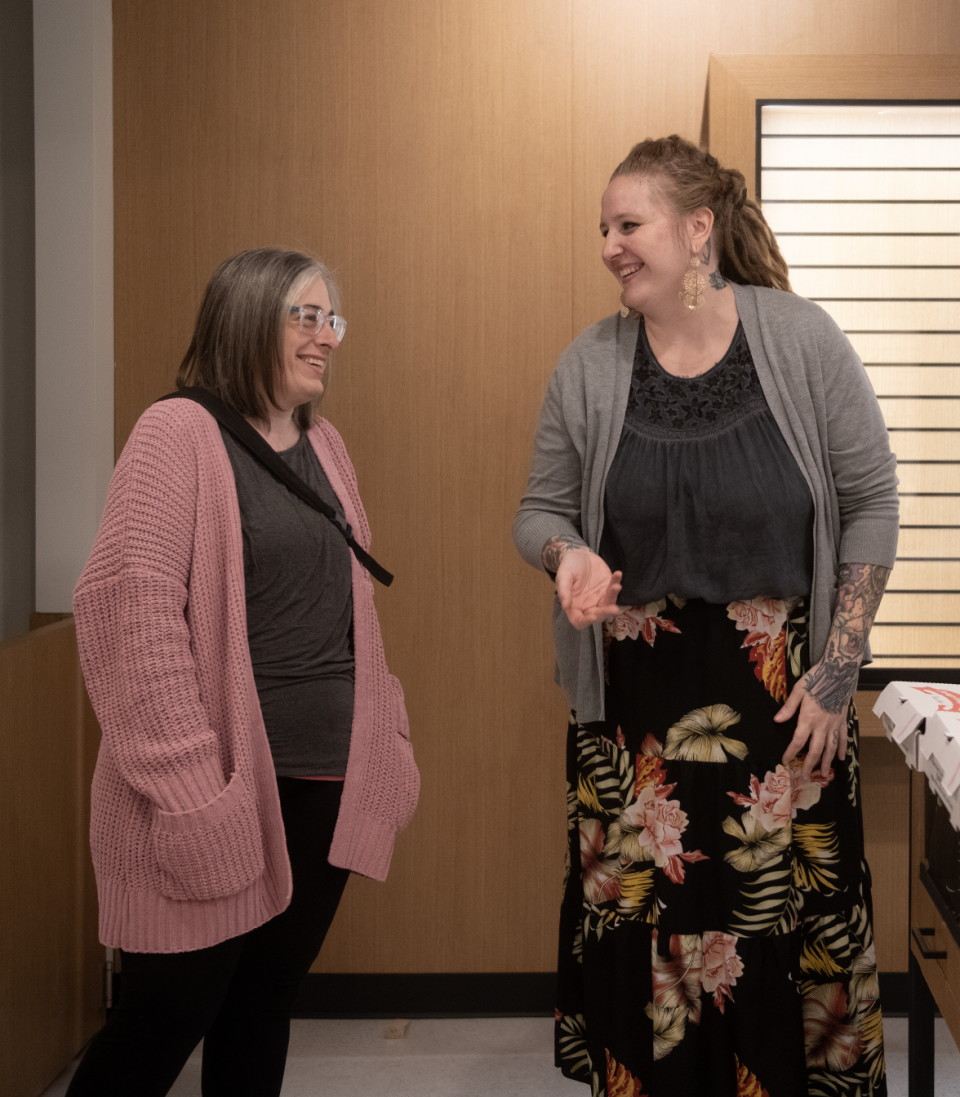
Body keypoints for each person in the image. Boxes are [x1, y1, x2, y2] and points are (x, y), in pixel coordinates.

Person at [514, 136, 898, 1097]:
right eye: (602, 227)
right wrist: (570, 557)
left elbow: (873, 504)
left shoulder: (802, 341)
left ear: (697, 230)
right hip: (632, 718)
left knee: (784, 933)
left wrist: (840, 669)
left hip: (786, 708)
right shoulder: (590, 364)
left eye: (629, 224)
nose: (610, 244)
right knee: (650, 949)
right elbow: (539, 512)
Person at [67, 247, 419, 1097]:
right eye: (306, 315)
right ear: (246, 316)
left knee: (261, 1006)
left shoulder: (325, 445)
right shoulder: (177, 434)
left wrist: (389, 738)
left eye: (331, 318)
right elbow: (129, 614)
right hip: (218, 788)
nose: (326, 336)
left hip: (328, 776)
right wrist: (190, 790)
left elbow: (349, 616)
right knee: (164, 1015)